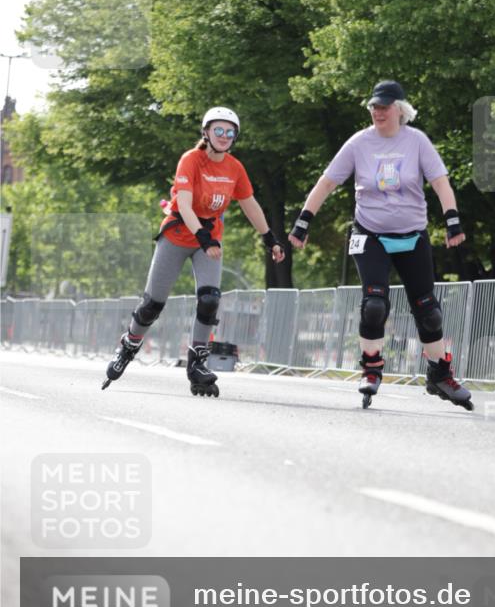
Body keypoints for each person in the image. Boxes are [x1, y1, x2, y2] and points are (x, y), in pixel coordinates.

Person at [288, 81, 473, 411]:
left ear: (399, 110)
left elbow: (440, 181)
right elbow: (328, 181)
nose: (378, 112)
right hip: (369, 234)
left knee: (428, 311)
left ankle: (440, 374)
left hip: (412, 234)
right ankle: (371, 368)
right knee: (374, 304)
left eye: (384, 107)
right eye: (374, 106)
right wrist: (304, 221)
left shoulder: (416, 142)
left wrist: (452, 219)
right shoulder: (360, 143)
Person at [103, 106, 285, 396]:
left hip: (208, 242)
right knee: (153, 304)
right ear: (206, 132)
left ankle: (197, 362)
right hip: (177, 235)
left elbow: (250, 205)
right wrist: (202, 236)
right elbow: (184, 204)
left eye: (230, 132)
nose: (224, 136)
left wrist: (270, 238)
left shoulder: (235, 168)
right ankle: (129, 344)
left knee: (210, 299)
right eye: (218, 130)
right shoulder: (191, 159)